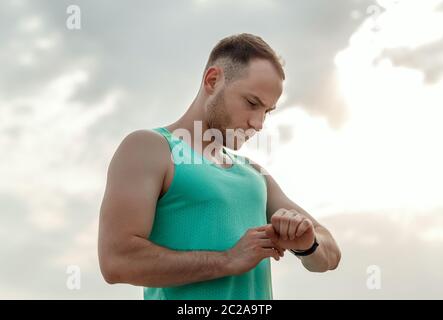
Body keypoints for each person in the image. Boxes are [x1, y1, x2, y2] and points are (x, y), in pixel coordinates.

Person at [98, 33, 341, 300]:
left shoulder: (254, 174)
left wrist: (307, 245)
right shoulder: (149, 147)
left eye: (267, 111)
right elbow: (116, 261)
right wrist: (228, 260)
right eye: (252, 103)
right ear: (212, 80)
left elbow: (330, 255)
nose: (259, 123)